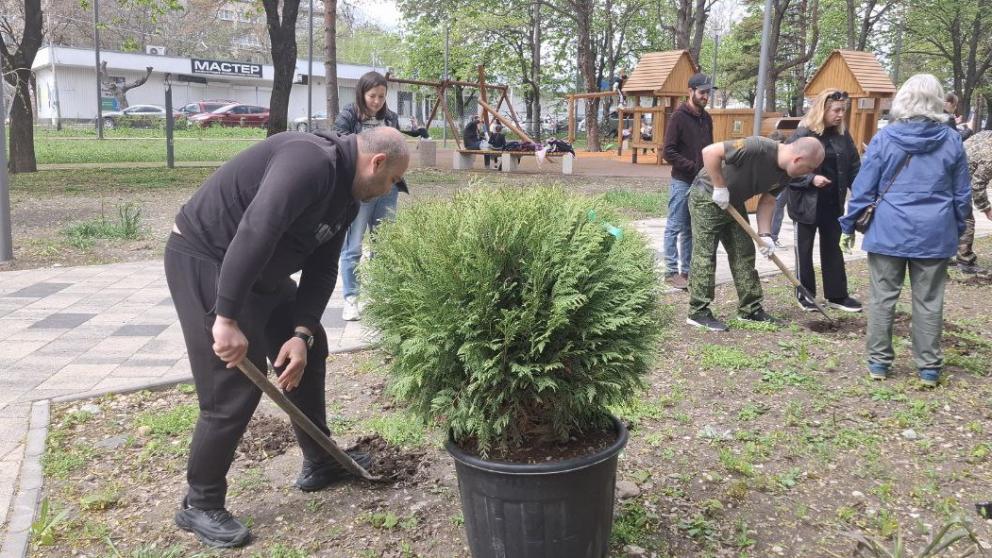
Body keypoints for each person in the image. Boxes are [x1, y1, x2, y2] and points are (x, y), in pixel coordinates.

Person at [165, 126, 411, 547]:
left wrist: (301, 333)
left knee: (312, 349)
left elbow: (321, 270)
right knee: (233, 387)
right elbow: (256, 230)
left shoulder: (346, 200)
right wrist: (225, 318)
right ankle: (199, 504)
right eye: (391, 182)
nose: (389, 191)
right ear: (377, 163)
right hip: (207, 259)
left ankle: (320, 461)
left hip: (260, 271)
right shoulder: (308, 161)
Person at [839, 74, 971, 387]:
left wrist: (849, 225)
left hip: (889, 230)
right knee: (929, 300)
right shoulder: (951, 139)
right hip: (935, 232)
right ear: (937, 101)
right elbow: (961, 195)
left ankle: (879, 363)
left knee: (883, 298)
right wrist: (957, 226)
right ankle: (928, 367)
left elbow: (863, 188)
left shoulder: (885, 138)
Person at [686, 136, 824, 331]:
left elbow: (768, 201)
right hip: (707, 196)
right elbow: (709, 152)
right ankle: (698, 312)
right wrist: (719, 186)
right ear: (798, 159)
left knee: (744, 252)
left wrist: (765, 235)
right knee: (705, 254)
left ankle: (750, 309)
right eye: (809, 168)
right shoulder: (757, 147)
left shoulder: (788, 173)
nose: (808, 174)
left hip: (733, 202)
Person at [785, 89, 863, 313]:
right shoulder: (803, 134)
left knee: (833, 249)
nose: (840, 115)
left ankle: (837, 295)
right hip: (806, 203)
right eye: (836, 110)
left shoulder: (842, 135)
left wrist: (860, 192)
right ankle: (805, 294)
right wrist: (811, 178)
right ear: (823, 109)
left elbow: (854, 166)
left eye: (843, 110)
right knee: (804, 250)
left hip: (832, 203)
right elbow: (787, 166)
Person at [334, 71, 404, 321]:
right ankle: (351, 298)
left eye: (381, 96)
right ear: (362, 93)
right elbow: (339, 143)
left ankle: (382, 294)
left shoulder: (391, 118)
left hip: (388, 189)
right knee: (353, 245)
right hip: (361, 190)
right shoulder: (349, 115)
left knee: (384, 244)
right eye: (372, 95)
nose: (377, 101)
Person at [662, 72, 716, 290]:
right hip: (682, 181)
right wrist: (693, 167)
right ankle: (670, 271)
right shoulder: (678, 117)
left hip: (701, 182)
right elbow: (668, 152)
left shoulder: (707, 118)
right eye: (702, 92)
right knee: (675, 225)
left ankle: (687, 271)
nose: (705, 97)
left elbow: (710, 149)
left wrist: (711, 169)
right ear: (690, 92)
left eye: (708, 93)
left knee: (690, 229)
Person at [958, 131, 992, 274]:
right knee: (966, 217)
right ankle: (965, 261)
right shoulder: (990, 155)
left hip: (952, 172)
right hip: (955, 178)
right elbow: (977, 185)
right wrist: (986, 209)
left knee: (951, 216)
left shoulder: (988, 135)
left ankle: (944, 254)